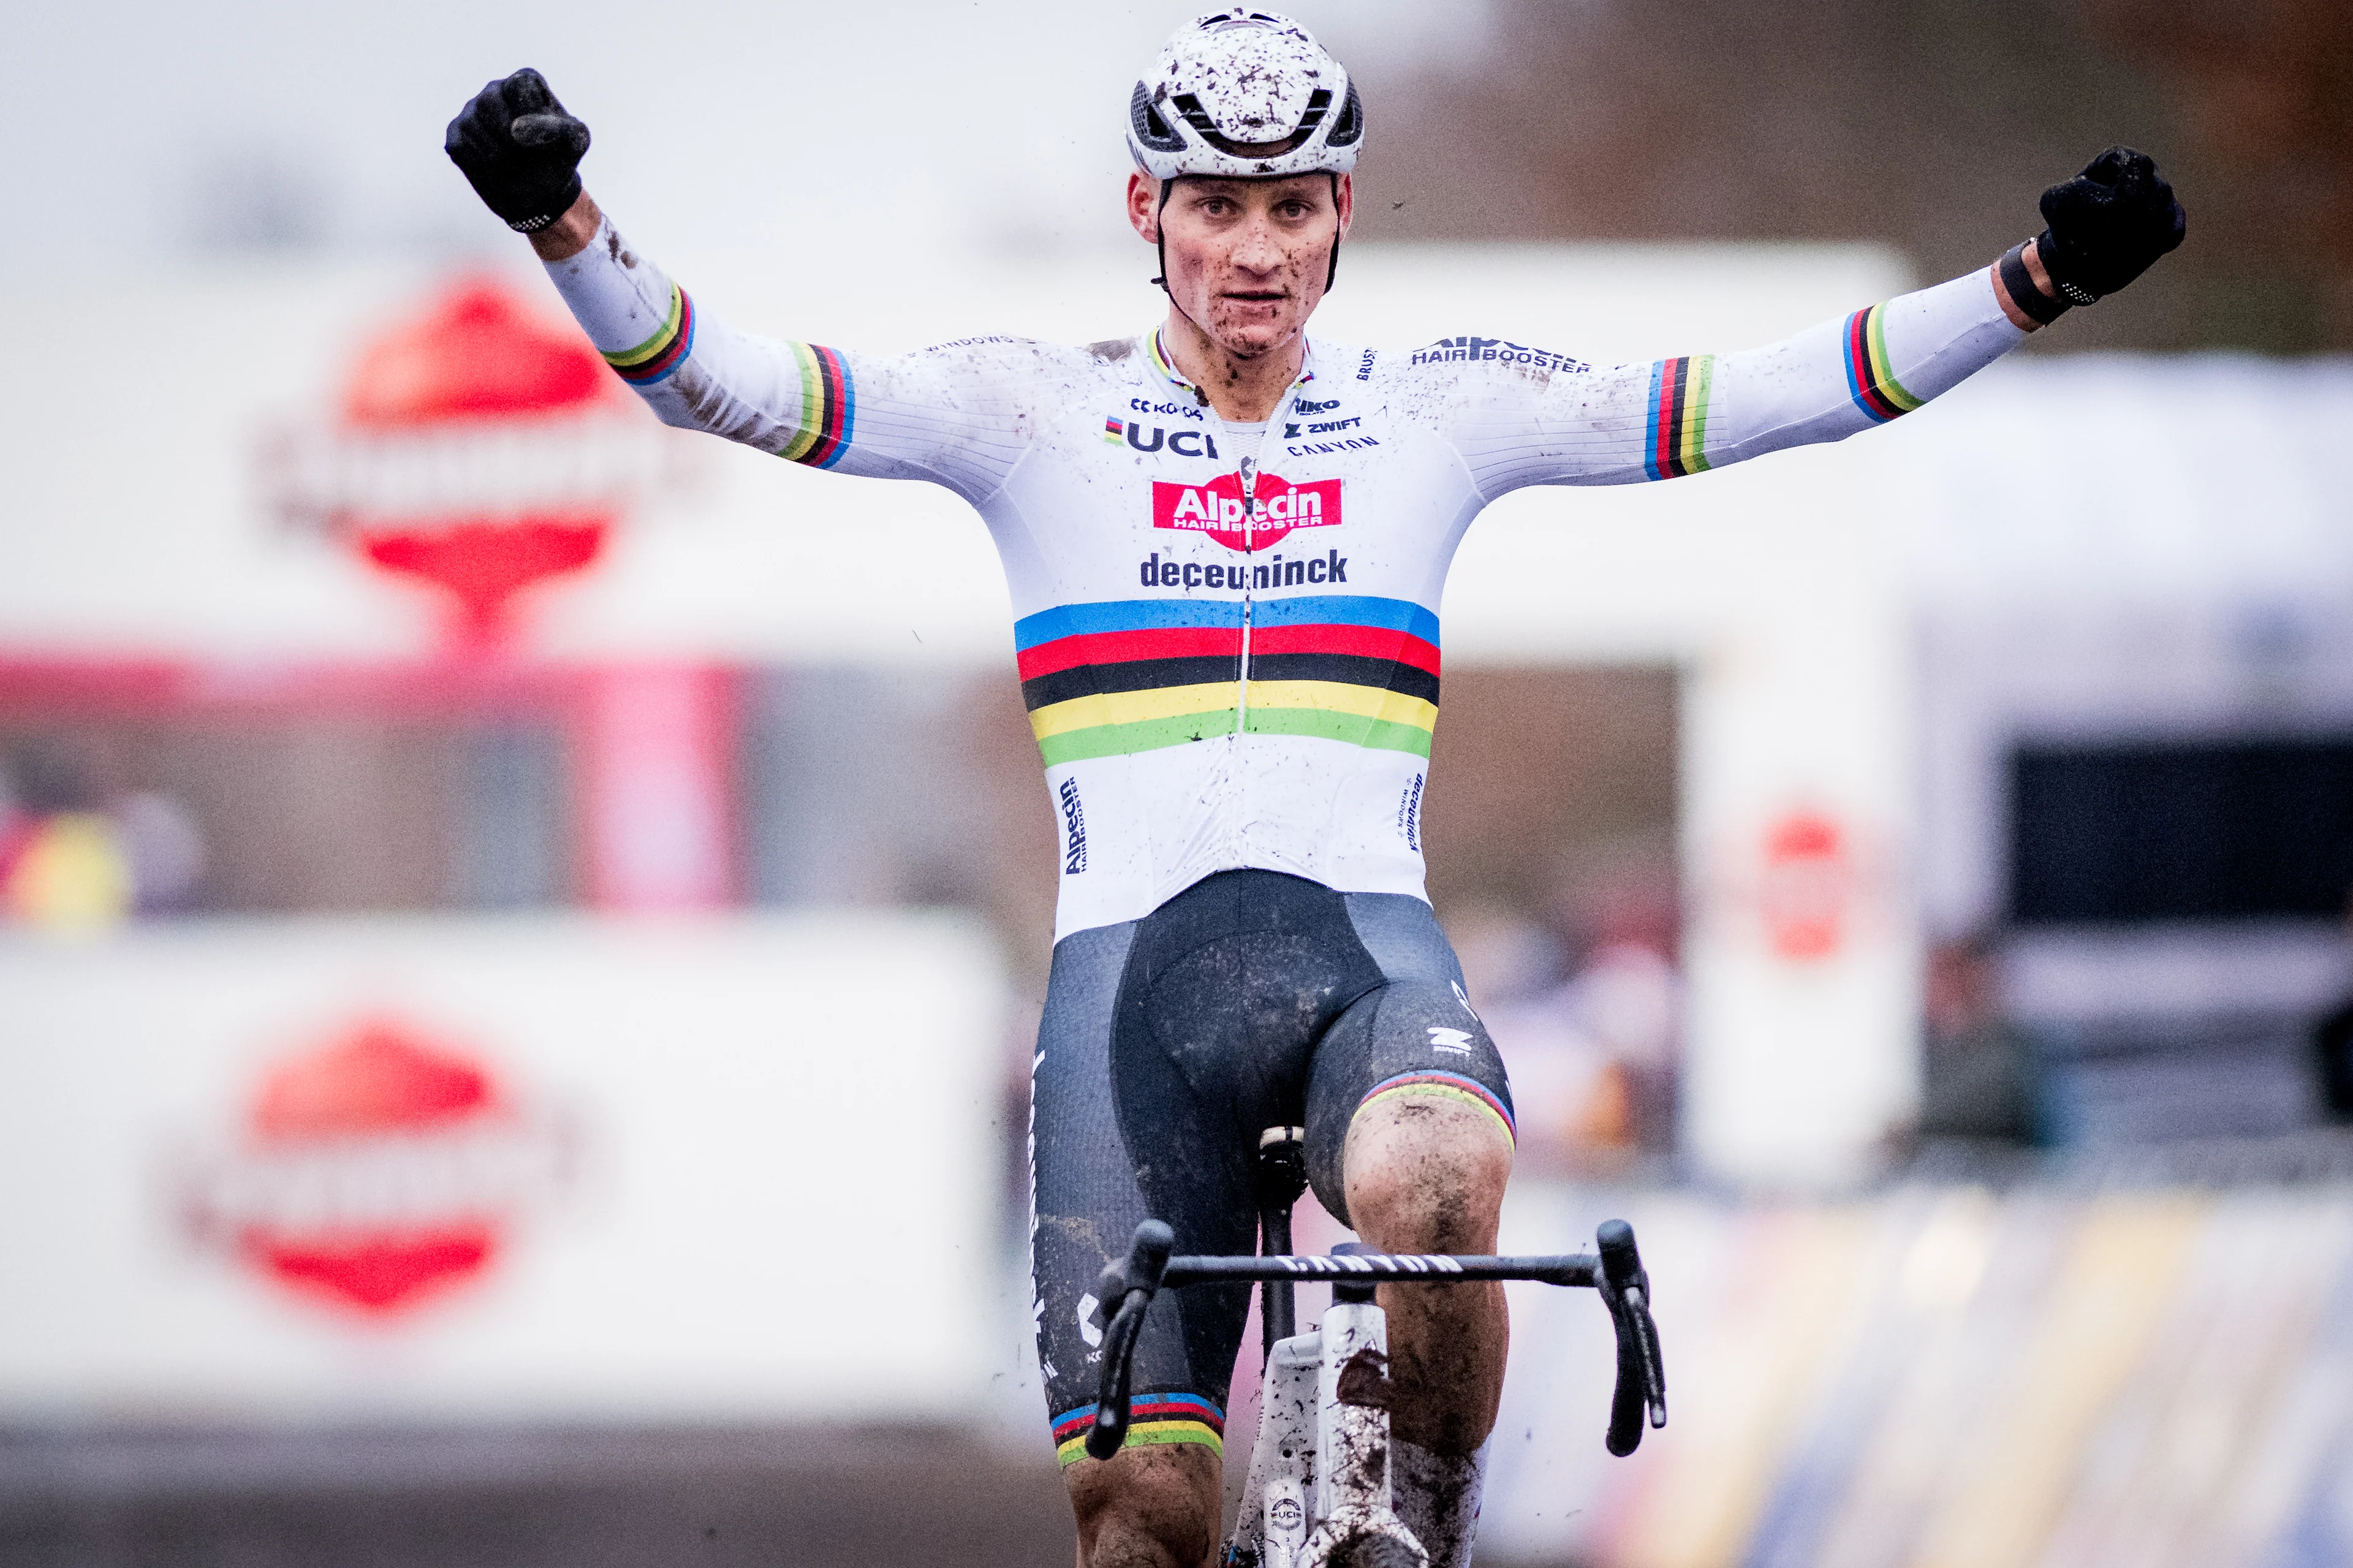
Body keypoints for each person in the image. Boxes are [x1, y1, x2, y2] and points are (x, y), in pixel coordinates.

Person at [445, 13, 2184, 1565]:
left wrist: (2028, 281)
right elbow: (719, 385)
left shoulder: (1436, 409)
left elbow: (1756, 401)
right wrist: (564, 227)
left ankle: (1418, 1518)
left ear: (1343, 215)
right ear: (1148, 215)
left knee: (1437, 1186)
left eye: (1293, 208)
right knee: (1142, 1526)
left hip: (1367, 966)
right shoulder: (1023, 412)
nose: (1256, 249)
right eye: (1216, 205)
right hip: (1132, 1010)